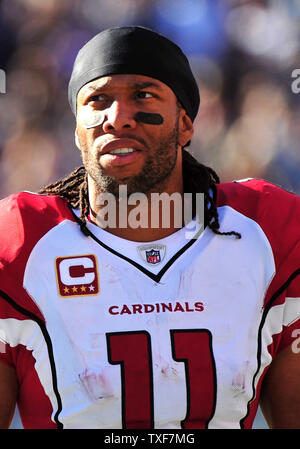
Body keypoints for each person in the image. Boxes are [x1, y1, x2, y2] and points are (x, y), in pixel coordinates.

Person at [0, 26, 299, 430]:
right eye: (98, 100)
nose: (117, 119)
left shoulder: (266, 231)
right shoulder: (20, 242)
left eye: (143, 95)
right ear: (76, 131)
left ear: (185, 124)